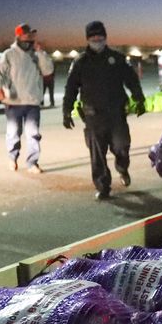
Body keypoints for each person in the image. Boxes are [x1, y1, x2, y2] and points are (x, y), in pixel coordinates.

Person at [62, 21, 144, 200]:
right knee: (97, 154)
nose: (97, 40)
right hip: (93, 115)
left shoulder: (117, 58)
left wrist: (139, 99)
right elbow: (70, 88)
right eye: (93, 37)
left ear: (105, 37)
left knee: (122, 146)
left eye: (100, 37)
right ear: (88, 39)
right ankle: (103, 186)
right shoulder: (81, 62)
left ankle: (122, 168)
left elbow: (131, 80)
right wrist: (66, 111)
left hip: (116, 114)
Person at [0, 23, 54, 173]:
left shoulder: (36, 54)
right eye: (27, 34)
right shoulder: (9, 54)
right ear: (19, 36)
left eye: (32, 34)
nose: (30, 37)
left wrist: (41, 53)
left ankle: (32, 163)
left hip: (32, 101)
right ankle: (12, 158)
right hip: (14, 101)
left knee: (33, 133)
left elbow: (48, 70)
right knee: (14, 132)